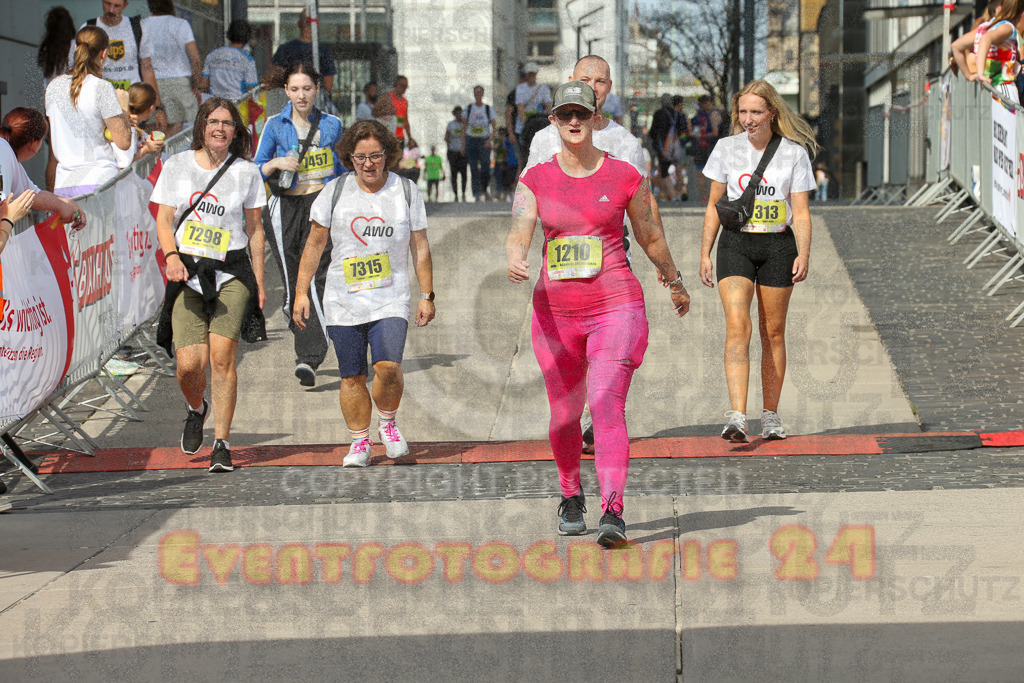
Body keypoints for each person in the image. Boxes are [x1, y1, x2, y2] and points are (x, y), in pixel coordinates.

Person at [507, 82, 690, 549]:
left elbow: (650, 236)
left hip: (616, 305)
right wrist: (516, 256)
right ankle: (571, 494)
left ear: (595, 119)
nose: (573, 122)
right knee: (564, 417)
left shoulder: (626, 175)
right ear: (552, 120)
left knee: (606, 401)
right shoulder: (535, 179)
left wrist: (673, 280)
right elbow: (520, 226)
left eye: (582, 114)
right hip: (556, 314)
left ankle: (613, 508)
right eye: (565, 114)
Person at [526, 55, 677, 451]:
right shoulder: (544, 138)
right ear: (571, 81)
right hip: (558, 263)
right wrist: (517, 246)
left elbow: (645, 206)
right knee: (570, 351)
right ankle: (573, 415)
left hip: (609, 256)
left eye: (602, 82)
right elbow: (526, 195)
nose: (594, 87)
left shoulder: (625, 143)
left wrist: (660, 257)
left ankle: (598, 417)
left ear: (610, 89)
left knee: (607, 345)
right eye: (585, 79)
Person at [293, 119, 435, 466]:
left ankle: (387, 423)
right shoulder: (335, 192)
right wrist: (300, 293)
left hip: (391, 296)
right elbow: (314, 244)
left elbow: (420, 245)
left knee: (388, 367)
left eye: (375, 156)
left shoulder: (405, 191)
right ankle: (359, 442)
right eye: (360, 157)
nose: (368, 163)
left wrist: (427, 294)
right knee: (352, 375)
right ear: (349, 157)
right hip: (344, 298)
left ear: (388, 156)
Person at [698, 79, 817, 443]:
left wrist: (805, 253)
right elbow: (714, 205)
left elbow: (800, 211)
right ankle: (736, 415)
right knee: (737, 325)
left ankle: (771, 415)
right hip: (736, 244)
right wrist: (705, 251)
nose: (748, 119)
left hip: (778, 246)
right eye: (743, 112)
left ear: (772, 113)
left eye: (756, 112)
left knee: (773, 332)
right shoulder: (726, 148)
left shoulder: (793, 153)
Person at [152, 98, 267, 472]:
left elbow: (254, 230)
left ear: (237, 131)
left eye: (227, 123)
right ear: (202, 126)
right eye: (213, 121)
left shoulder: (248, 173)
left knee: (221, 359)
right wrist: (171, 257)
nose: (220, 128)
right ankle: (195, 408)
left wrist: (260, 284)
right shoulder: (177, 165)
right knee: (189, 366)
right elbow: (165, 220)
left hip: (231, 271)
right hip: (187, 273)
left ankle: (222, 442)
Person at [254, 62, 345, 388]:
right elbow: (256, 171)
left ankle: (308, 356)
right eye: (294, 89)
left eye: (307, 88)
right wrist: (277, 162)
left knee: (317, 277)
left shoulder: (332, 125)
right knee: (295, 281)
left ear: (317, 90)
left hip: (320, 208)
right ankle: (293, 305)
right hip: (284, 208)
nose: (301, 95)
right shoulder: (274, 125)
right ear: (287, 92)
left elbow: (344, 167)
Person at [46, 26, 134, 198]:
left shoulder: (53, 87)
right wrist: (123, 108)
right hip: (99, 183)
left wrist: (51, 196)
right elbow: (123, 141)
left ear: (75, 48)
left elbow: (53, 150)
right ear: (104, 54)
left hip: (64, 184)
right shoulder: (101, 87)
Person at [0, 108, 86, 229]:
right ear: (34, 144)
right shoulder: (3, 153)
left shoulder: (9, 155)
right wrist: (62, 205)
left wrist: (67, 204)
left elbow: (33, 194)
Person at [138, 0, 201, 138]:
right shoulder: (181, 24)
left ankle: (155, 156)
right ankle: (169, 157)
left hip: (150, 82)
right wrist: (197, 86)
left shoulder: (142, 25)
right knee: (176, 128)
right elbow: (195, 58)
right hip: (178, 82)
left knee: (150, 126)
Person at [952, 0, 1023, 103]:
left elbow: (956, 46)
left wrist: (969, 76)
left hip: (985, 90)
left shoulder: (984, 27)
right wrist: (980, 73)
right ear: (1020, 14)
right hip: (1003, 88)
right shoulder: (1008, 27)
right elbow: (986, 39)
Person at [38, 6, 78, 192]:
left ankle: (52, 194)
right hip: (71, 103)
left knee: (54, 156)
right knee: (76, 152)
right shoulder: (74, 47)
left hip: (52, 105)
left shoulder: (46, 48)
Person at [268, 9, 337, 93]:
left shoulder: (284, 49)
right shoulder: (324, 52)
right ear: (317, 25)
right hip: (315, 101)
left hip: (288, 101)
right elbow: (328, 85)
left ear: (298, 24)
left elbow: (273, 77)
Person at [200, 19, 259, 100]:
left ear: (229, 34)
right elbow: (252, 90)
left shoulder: (212, 55)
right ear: (247, 38)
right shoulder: (247, 60)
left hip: (215, 104)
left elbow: (204, 85)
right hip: (237, 106)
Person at [514, 61, 552, 175]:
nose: (531, 76)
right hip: (525, 127)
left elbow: (548, 105)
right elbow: (520, 107)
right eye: (529, 73)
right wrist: (527, 124)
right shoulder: (521, 88)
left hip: (540, 125)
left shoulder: (543, 88)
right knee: (525, 155)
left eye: (533, 73)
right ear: (526, 74)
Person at [465, 85, 497, 201]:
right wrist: (463, 145)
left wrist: (489, 141)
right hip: (471, 140)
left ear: (483, 94)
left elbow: (494, 128)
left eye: (480, 92)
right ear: (474, 94)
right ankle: (476, 193)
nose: (478, 94)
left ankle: (484, 190)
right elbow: (464, 128)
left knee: (485, 167)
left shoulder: (488, 109)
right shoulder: (468, 108)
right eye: (476, 92)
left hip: (484, 141)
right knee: (473, 168)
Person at [649, 94, 680, 202]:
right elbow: (680, 130)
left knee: (664, 170)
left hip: (662, 147)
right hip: (674, 147)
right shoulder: (676, 114)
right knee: (667, 170)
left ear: (661, 102)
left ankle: (673, 195)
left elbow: (653, 131)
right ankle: (665, 194)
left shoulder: (658, 114)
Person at [691, 95, 723, 201]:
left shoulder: (713, 114)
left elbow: (715, 133)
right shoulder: (710, 114)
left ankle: (705, 196)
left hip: (708, 147)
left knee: (704, 173)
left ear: (706, 103)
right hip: (710, 147)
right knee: (711, 173)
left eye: (701, 105)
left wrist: (701, 137)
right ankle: (710, 196)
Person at [373, 75, 416, 149]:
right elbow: (374, 112)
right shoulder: (387, 97)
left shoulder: (404, 101)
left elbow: (405, 121)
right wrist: (387, 112)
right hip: (388, 136)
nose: (404, 89)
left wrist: (410, 137)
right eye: (402, 86)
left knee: (399, 160)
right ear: (396, 84)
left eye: (406, 87)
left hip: (400, 137)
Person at [127, 82, 166, 161]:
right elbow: (123, 169)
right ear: (151, 109)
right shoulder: (128, 130)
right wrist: (145, 150)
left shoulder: (132, 127)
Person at [444, 106, 467, 201]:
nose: (458, 115)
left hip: (463, 151)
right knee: (454, 174)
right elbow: (446, 137)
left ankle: (464, 193)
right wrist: (449, 141)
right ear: (454, 114)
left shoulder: (465, 124)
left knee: (464, 173)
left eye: (460, 113)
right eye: (457, 113)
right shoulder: (451, 124)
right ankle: (456, 194)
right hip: (453, 151)